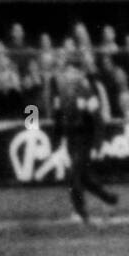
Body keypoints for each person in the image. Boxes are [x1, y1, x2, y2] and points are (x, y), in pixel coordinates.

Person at [54, 53, 117, 224]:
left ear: (81, 73)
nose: (70, 75)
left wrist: (98, 142)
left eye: (74, 71)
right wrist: (58, 138)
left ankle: (80, 211)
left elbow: (97, 119)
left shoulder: (87, 92)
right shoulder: (62, 92)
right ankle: (110, 198)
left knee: (74, 174)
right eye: (68, 71)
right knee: (83, 177)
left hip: (85, 138)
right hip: (72, 139)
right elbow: (58, 116)